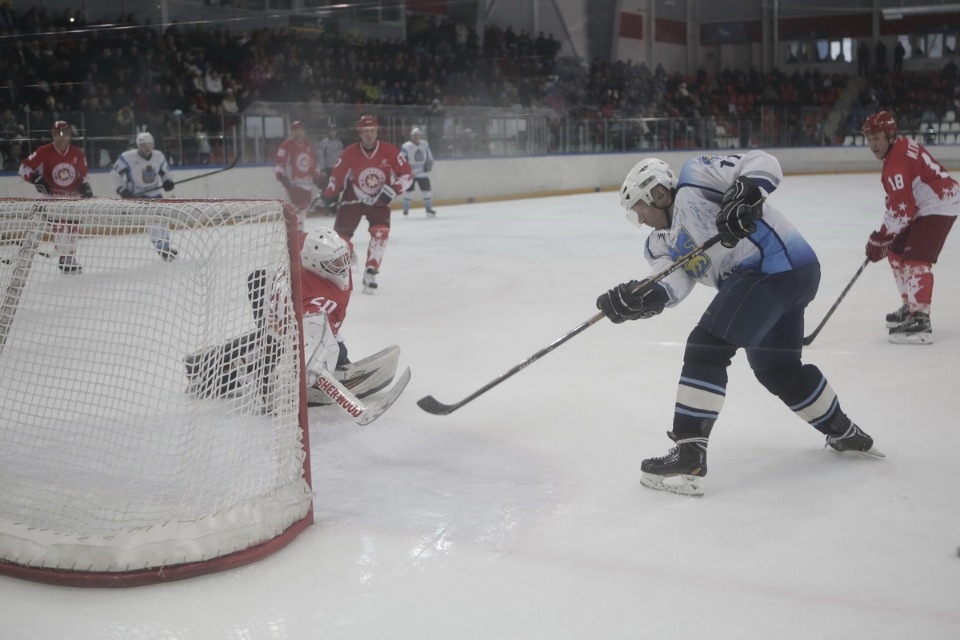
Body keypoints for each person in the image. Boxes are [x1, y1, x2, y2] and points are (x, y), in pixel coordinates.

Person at [597, 155, 883, 497]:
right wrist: (641, 298)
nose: (640, 218)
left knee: (706, 347)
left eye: (639, 208)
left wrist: (746, 193)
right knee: (777, 368)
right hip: (793, 275)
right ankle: (843, 429)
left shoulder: (695, 178)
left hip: (771, 267)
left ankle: (689, 453)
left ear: (658, 193)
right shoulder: (660, 243)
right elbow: (672, 284)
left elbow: (763, 163)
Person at [861, 110, 959, 345]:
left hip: (940, 203)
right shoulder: (900, 147)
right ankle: (910, 306)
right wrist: (886, 239)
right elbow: (901, 204)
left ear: (890, 135)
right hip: (927, 203)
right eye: (869, 139)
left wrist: (880, 236)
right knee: (895, 252)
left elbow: (902, 211)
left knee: (916, 259)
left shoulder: (895, 164)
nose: (873, 144)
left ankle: (921, 319)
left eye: (877, 138)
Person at [320, 115, 413, 294]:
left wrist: (393, 190)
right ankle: (345, 262)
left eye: (372, 131)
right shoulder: (349, 152)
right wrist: (329, 194)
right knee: (340, 239)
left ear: (377, 131)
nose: (369, 135)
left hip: (380, 199)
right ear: (359, 133)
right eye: (365, 131)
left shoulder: (390, 151)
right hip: (353, 196)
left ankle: (371, 270)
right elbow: (336, 176)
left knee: (381, 233)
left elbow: (407, 175)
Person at [18, 120, 94, 274]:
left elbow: (83, 175)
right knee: (60, 225)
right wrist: (36, 179)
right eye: (57, 133)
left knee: (73, 227)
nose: (61, 137)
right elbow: (23, 169)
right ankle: (63, 257)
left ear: (69, 134)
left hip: (72, 196)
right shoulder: (43, 151)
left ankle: (68, 257)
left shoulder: (78, 153)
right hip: (51, 196)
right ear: (53, 134)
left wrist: (85, 186)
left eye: (64, 133)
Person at [110, 131, 179, 261]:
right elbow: (115, 174)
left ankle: (165, 247)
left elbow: (166, 172)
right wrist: (122, 189)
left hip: (155, 193)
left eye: (149, 144)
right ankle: (161, 248)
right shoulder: (127, 157)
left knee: (162, 218)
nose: (147, 147)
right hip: (138, 195)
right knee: (152, 220)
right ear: (138, 146)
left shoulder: (158, 156)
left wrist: (168, 181)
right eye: (143, 145)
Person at [274, 120, 324, 231]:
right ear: (292, 132)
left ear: (304, 131)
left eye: (300, 130)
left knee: (303, 206)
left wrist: (317, 177)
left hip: (306, 182)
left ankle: (298, 228)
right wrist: (281, 177)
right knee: (300, 204)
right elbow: (278, 163)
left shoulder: (308, 145)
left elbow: (312, 164)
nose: (298, 132)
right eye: (295, 130)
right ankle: (297, 227)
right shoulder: (286, 145)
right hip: (293, 182)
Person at [400, 127, 436, 216]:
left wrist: (429, 164)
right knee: (408, 192)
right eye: (414, 135)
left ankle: (428, 209)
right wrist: (404, 170)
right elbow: (401, 159)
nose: (416, 137)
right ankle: (405, 210)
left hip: (422, 173)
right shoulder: (406, 146)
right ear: (411, 136)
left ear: (420, 135)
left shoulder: (425, 144)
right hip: (410, 174)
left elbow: (429, 156)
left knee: (426, 191)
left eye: (417, 135)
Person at [316, 124, 343, 191]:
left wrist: (342, 167)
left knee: (336, 186)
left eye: (334, 131)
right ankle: (327, 200)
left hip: (337, 169)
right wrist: (322, 169)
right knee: (327, 187)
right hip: (328, 169)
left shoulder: (339, 142)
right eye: (331, 131)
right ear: (328, 132)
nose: (333, 133)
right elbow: (321, 156)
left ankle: (335, 200)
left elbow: (341, 156)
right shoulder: (324, 142)